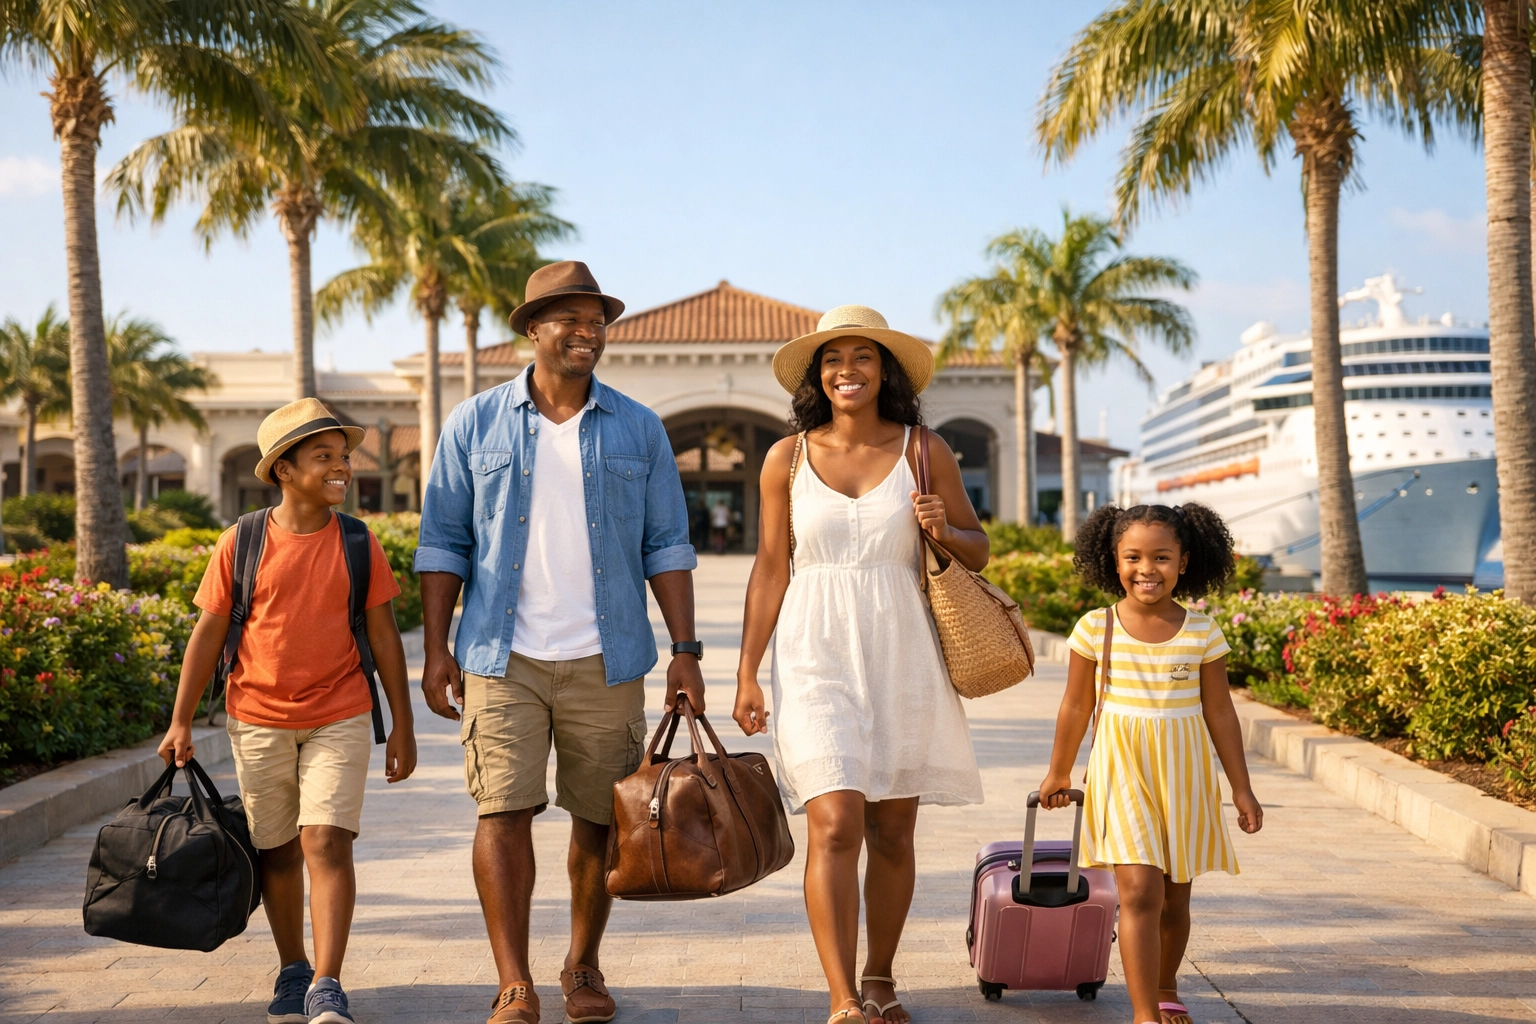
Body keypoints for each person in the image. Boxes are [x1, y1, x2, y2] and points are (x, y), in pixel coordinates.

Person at [414, 260, 705, 1024]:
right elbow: (442, 542)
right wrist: (437, 648)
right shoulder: (473, 423)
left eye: (597, 320)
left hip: (606, 658)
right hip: (499, 656)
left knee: (600, 820)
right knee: (501, 812)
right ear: (533, 329)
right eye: (571, 320)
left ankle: (582, 965)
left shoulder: (639, 426)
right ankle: (514, 981)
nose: (588, 333)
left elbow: (668, 544)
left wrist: (685, 649)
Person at [734, 305, 987, 1024]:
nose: (847, 370)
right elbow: (770, 568)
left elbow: (978, 546)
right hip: (813, 653)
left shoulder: (922, 448)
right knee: (836, 820)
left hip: (903, 649)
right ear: (818, 375)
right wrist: (748, 671)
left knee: (894, 830)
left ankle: (880, 978)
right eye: (833, 359)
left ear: (885, 372)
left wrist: (944, 527)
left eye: (863, 357)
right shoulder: (785, 458)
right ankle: (843, 997)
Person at [158, 397, 417, 1024]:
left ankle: (327, 983)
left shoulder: (358, 542)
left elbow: (383, 638)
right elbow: (208, 635)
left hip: (342, 711)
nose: (342, 468)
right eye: (324, 457)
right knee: (277, 850)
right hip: (257, 717)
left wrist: (403, 726)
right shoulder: (241, 542)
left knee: (326, 839)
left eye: (344, 457)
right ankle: (292, 968)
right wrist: (180, 719)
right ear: (284, 469)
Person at [1037, 503, 1264, 1024]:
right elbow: (1075, 705)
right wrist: (1059, 770)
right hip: (1122, 771)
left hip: (1183, 776)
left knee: (1175, 899)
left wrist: (1242, 789)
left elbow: (1221, 713)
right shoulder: (1097, 628)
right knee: (1140, 889)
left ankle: (1164, 986)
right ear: (1112, 562)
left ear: (1184, 562)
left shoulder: (1202, 631)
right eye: (1133, 557)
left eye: (1161, 557)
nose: (1147, 569)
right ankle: (1144, 1014)